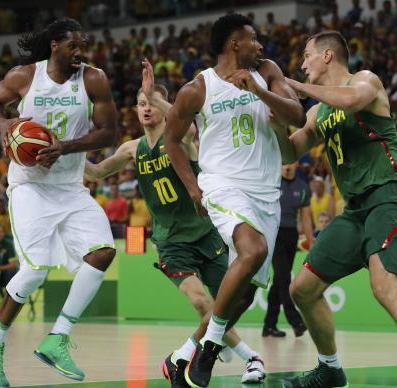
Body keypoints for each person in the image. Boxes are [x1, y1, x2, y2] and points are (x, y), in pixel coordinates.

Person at [283, 31, 397, 387]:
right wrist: (267, 102)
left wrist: (297, 88)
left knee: (385, 287)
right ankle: (330, 369)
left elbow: (350, 101)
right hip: (355, 209)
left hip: (389, 196)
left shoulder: (365, 81)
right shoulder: (316, 113)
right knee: (301, 289)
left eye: (306, 55)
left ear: (328, 55)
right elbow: (290, 151)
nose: (302, 64)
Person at [85, 59, 266, 385]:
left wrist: (156, 95)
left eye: (151, 103)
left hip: (207, 233)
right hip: (171, 242)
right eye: (141, 104)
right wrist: (61, 154)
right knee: (203, 302)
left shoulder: (181, 140)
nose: (146, 109)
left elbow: (193, 128)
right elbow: (96, 172)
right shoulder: (131, 150)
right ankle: (244, 356)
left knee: (233, 302)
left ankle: (241, 354)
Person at [163, 14, 305, 387]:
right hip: (223, 186)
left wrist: (260, 91)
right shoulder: (198, 88)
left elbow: (297, 114)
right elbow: (171, 141)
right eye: (253, 39)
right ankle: (210, 349)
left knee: (241, 298)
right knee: (253, 249)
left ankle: (181, 357)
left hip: (266, 193)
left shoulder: (267, 71)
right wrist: (194, 189)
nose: (260, 45)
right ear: (234, 44)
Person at [0, 18, 117, 388]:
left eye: (82, 45)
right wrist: (3, 125)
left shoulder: (93, 79)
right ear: (54, 45)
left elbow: (109, 132)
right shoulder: (25, 76)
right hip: (29, 188)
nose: (79, 52)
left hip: (70, 187)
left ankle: (57, 338)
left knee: (103, 251)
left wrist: (65, 147)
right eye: (73, 45)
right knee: (36, 270)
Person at [262, 162, 311, 339]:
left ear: (297, 164)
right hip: (274, 233)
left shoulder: (303, 187)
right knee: (284, 278)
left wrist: (311, 244)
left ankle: (269, 325)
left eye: (290, 163)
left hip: (291, 235)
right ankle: (295, 321)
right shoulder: (272, 183)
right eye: (283, 163)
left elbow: (306, 219)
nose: (286, 167)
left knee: (279, 282)